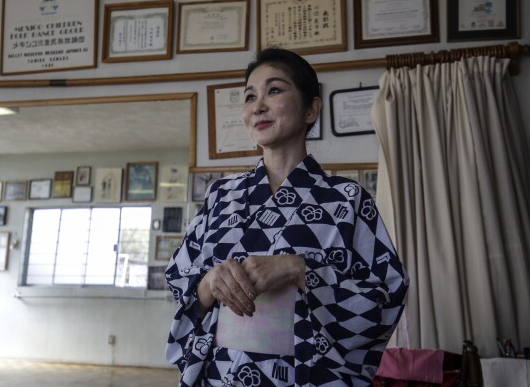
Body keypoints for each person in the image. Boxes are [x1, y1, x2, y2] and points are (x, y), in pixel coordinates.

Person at [165, 48, 408, 387]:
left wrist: (301, 270)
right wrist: (209, 283)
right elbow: (180, 277)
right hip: (220, 376)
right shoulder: (221, 195)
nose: (258, 106)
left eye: (274, 90)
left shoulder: (348, 199)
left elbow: (388, 294)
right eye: (250, 96)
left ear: (311, 108)